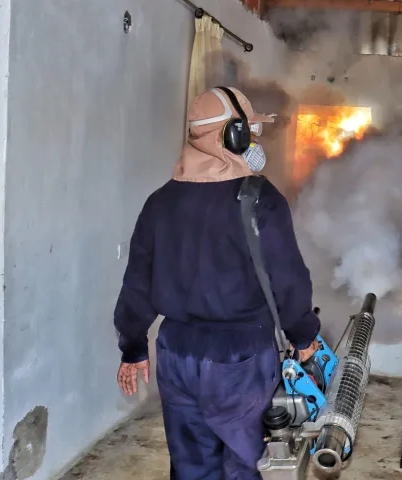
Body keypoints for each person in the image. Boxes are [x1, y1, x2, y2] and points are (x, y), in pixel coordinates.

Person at [113, 87, 321, 479]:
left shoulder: (159, 202)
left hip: (175, 352)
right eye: (249, 132)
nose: (254, 141)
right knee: (245, 463)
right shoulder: (261, 199)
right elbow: (288, 279)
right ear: (234, 136)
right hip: (239, 357)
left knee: (191, 466)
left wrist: (133, 347)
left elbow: (138, 280)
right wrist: (303, 334)